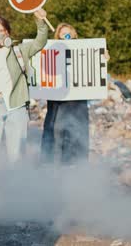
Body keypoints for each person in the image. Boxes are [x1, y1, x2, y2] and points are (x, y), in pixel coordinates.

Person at [0, 10, 48, 165]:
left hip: (16, 106)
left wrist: (40, 21)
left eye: (2, 30)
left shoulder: (20, 50)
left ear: (8, 32)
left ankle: (14, 184)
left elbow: (40, 41)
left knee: (16, 154)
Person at [40, 23, 89, 165]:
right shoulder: (52, 52)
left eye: (69, 34)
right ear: (58, 37)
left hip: (76, 103)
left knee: (76, 134)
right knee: (57, 132)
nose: (66, 37)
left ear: (74, 35)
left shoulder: (83, 52)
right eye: (63, 34)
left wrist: (103, 58)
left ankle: (74, 167)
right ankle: (53, 167)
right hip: (58, 102)